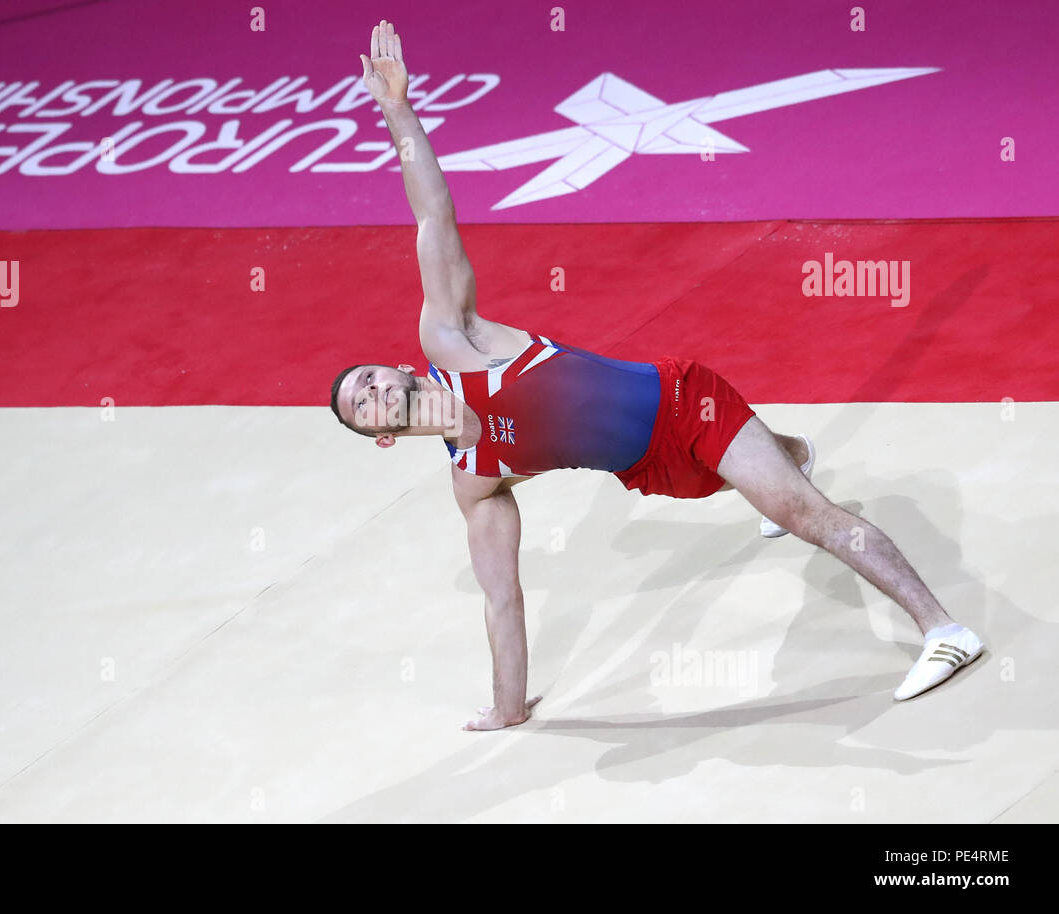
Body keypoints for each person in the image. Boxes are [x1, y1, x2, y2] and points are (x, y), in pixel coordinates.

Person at [330, 21, 984, 731]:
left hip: (687, 399)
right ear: (380, 436)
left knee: (799, 513)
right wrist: (509, 709)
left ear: (397, 368)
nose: (371, 394)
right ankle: (790, 453)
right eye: (361, 406)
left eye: (367, 379)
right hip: (658, 472)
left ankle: (943, 631)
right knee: (771, 481)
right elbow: (502, 598)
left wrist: (398, 110)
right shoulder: (475, 479)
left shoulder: (452, 339)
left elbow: (433, 215)